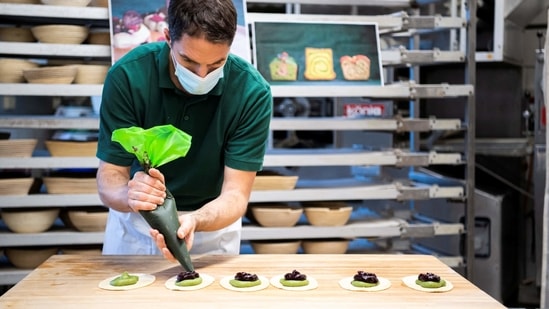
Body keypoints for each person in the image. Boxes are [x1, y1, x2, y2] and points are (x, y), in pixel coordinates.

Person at [95, 0, 272, 261]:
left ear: (231, 46)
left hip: (211, 225)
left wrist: (195, 220)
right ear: (167, 37)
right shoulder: (129, 76)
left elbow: (236, 193)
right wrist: (129, 194)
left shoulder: (251, 92)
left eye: (215, 65)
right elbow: (109, 176)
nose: (201, 76)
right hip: (137, 225)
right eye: (189, 62)